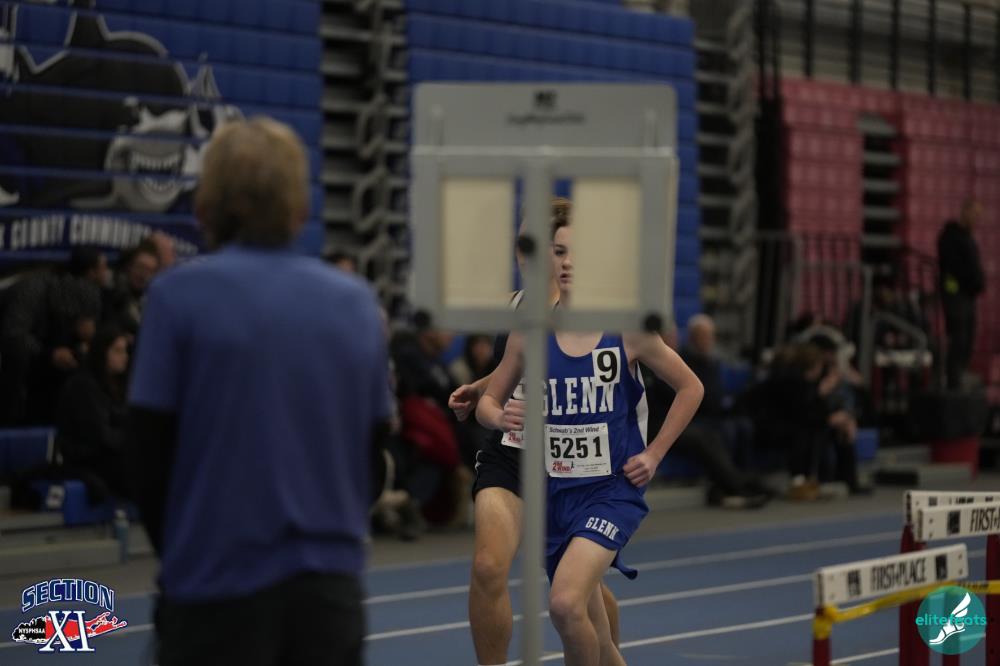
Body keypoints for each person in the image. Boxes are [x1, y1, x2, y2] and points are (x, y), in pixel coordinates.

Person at [125, 117, 390, 666]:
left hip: (214, 588)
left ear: (206, 206)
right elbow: (371, 455)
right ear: (300, 209)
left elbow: (147, 456)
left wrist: (185, 554)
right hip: (329, 594)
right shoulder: (356, 304)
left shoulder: (176, 298)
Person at [476, 213, 704, 666]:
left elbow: (691, 387)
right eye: (560, 252)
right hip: (553, 493)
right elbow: (488, 401)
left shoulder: (628, 328)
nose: (568, 262)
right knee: (597, 635)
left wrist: (655, 453)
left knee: (564, 604)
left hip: (609, 491)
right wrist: (500, 417)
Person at [449, 200, 622, 663]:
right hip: (511, 453)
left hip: (571, 461)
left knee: (583, 595)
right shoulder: (514, 305)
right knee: (488, 566)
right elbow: (518, 366)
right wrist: (481, 389)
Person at [54, 326, 131, 503]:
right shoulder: (84, 385)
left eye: (125, 351)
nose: (125, 356)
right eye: (117, 351)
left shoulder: (118, 386)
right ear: (102, 352)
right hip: (87, 460)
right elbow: (101, 436)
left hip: (109, 456)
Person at [938, 199, 985, 389]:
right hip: (955, 295)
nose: (976, 219)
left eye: (979, 216)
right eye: (974, 214)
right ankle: (953, 380)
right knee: (959, 337)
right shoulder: (950, 236)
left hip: (968, 296)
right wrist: (971, 282)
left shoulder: (968, 238)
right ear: (965, 211)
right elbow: (953, 267)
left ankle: (960, 375)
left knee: (968, 338)